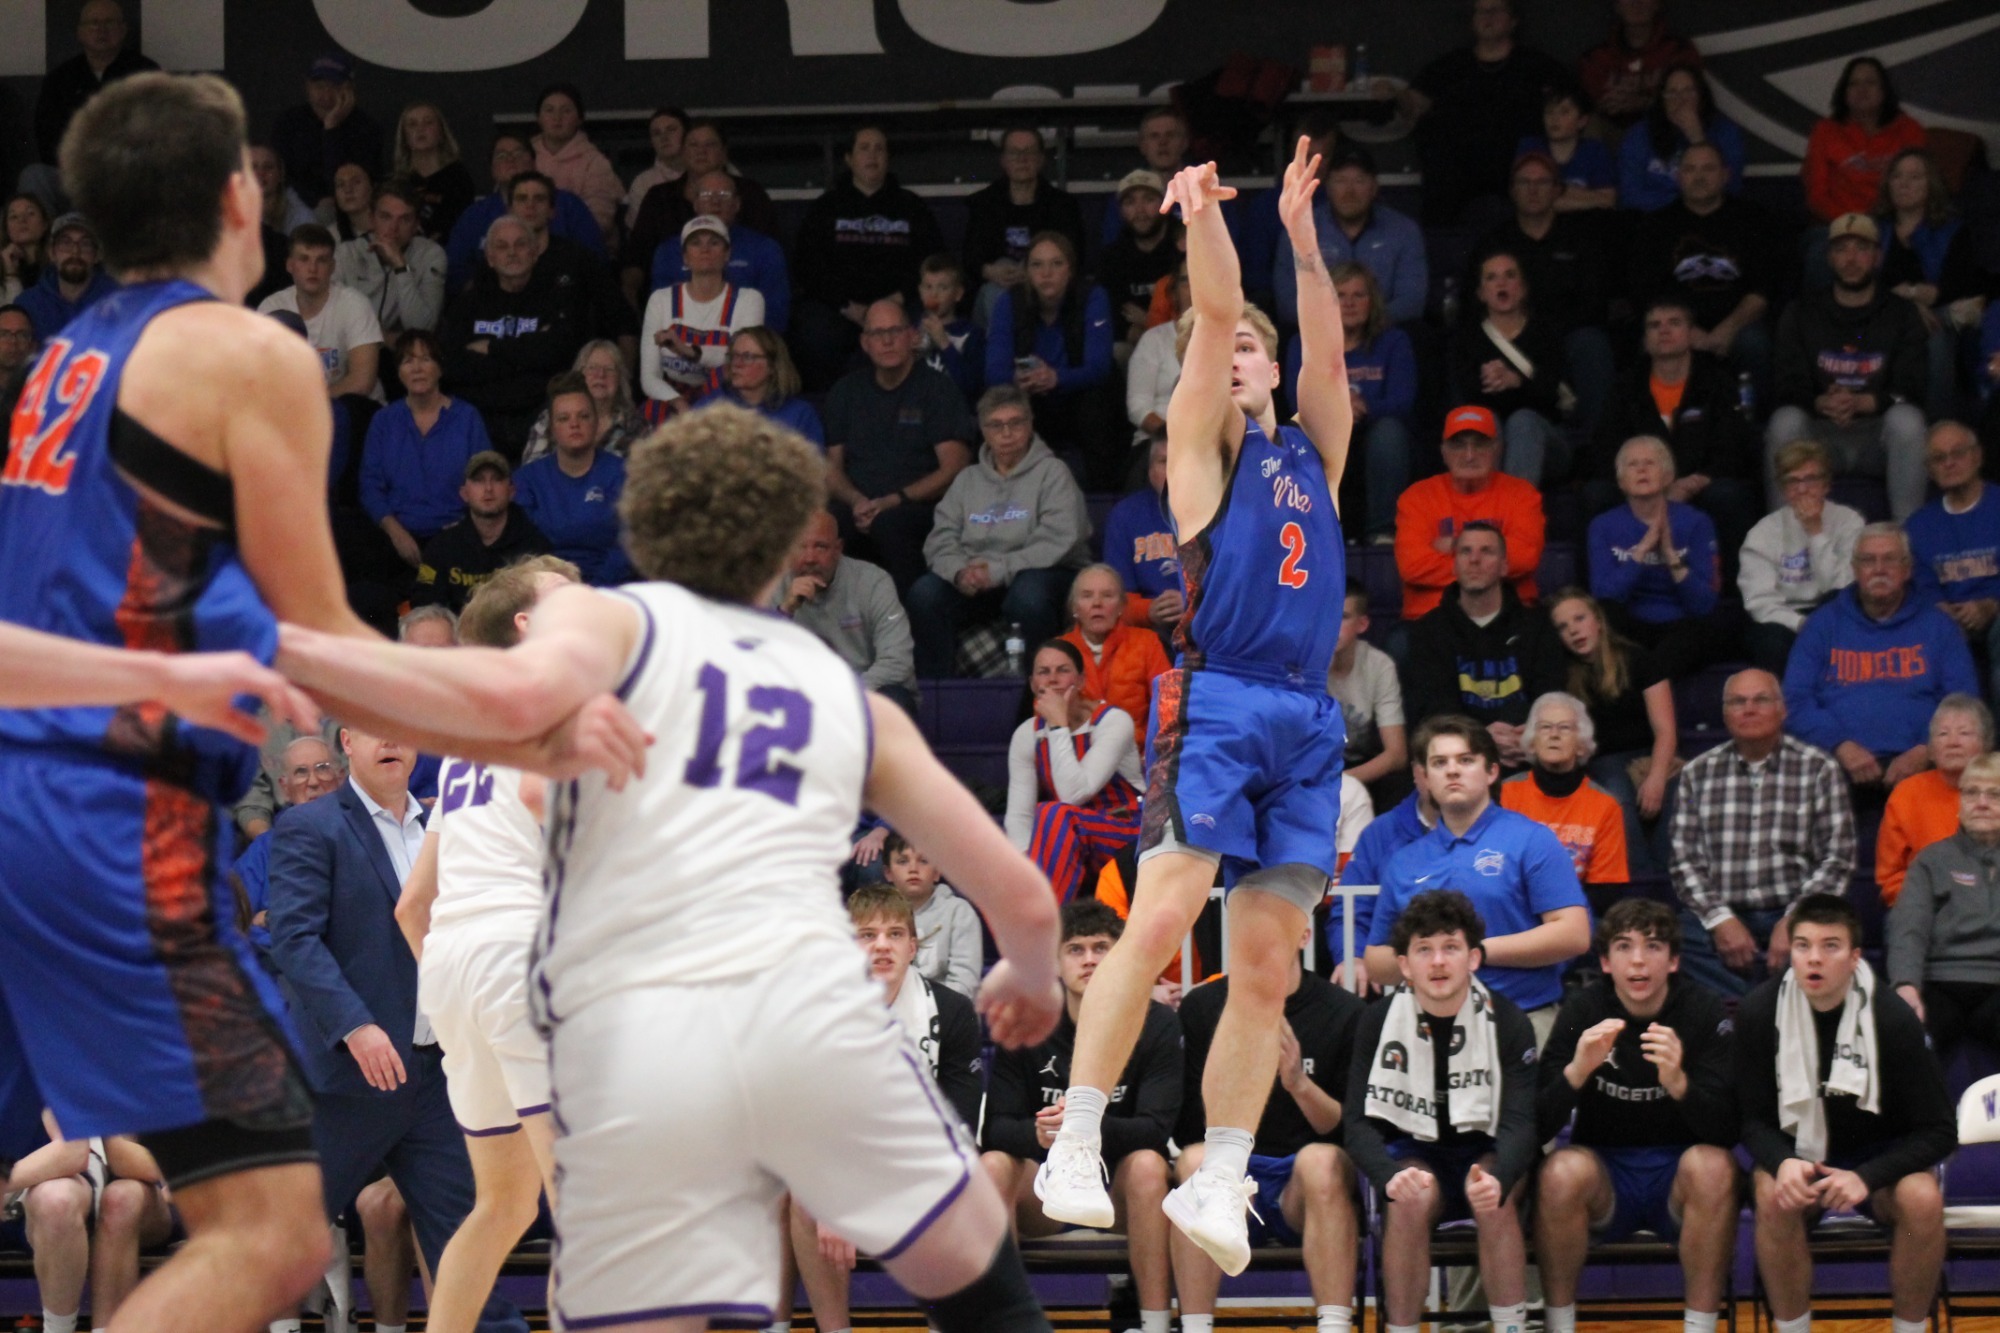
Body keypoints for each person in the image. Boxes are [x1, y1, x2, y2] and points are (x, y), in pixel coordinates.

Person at [275, 403, 1069, 1333]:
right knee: (972, 1257)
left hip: (655, 1029)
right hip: (810, 1014)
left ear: (640, 529)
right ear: (788, 548)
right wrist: (1031, 969)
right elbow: (1018, 891)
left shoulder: (608, 622)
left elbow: (524, 740)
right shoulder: (845, 697)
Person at [0, 68, 458, 1331]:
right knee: (266, 1239)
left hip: (37, 808)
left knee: (258, 1225)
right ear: (237, 195)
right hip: (113, 827)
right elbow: (323, 642)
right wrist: (518, 710)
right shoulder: (242, 350)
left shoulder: (63, 358)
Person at [1033, 143, 1353, 1277]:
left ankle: (1219, 1170)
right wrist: (1205, 219)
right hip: (1214, 700)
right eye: (1223, 354)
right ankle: (1072, 1138)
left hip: (1307, 720)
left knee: (1264, 966)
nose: (1236, 358)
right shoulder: (1198, 458)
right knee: (1162, 919)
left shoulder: (1317, 449)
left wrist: (1304, 237)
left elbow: (1320, 334)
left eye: (1251, 352)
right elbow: (1215, 312)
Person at [265, 724, 530, 1333]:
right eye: (371, 729)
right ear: (347, 746)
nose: (390, 740)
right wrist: (355, 1026)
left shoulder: (449, 823)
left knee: (472, 1240)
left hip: (436, 1074)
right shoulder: (312, 826)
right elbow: (294, 939)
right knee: (276, 1250)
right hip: (345, 1082)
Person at [389, 563, 579, 1333]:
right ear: (528, 626)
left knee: (502, 1203)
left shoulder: (470, 740)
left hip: (454, 966)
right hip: (519, 951)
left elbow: (412, 903)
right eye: (567, 595)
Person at [1738, 894, 1954, 1333]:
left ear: (1855, 957)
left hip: (1879, 1162)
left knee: (1923, 1197)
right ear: (1790, 951)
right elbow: (1748, 1119)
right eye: (1803, 946)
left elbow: (1939, 1130)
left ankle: (1909, 1329)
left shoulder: (1893, 1019)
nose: (1814, 959)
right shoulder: (1759, 1013)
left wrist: (1867, 1176)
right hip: (1799, 1154)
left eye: (1830, 946)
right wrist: (1783, 1163)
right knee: (1771, 1193)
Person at [1533, 898, 1739, 1333]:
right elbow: (1538, 1125)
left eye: (1654, 947)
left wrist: (1679, 1082)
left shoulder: (1702, 1009)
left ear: (1674, 960)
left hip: (1678, 1178)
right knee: (1559, 1171)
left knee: (1715, 1167)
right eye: (1625, 947)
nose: (1639, 961)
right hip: (1607, 1175)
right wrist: (1577, 1071)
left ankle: (1700, 1327)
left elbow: (1728, 1128)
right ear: (1606, 962)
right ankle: (1559, 1325)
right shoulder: (1583, 1011)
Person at [792, 883, 988, 1333]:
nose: (882, 945)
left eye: (895, 934)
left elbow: (957, 1127)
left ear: (913, 946)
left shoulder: (953, 1012)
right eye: (867, 935)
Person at [1346, 890, 1541, 1333]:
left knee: (1494, 1197)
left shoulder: (1508, 1020)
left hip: (1485, 1150)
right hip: (1416, 1154)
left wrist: (1502, 1176)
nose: (1437, 962)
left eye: (1450, 948)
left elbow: (1521, 1123)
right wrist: (1386, 1175)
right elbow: (1356, 1123)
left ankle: (1512, 1327)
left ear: (1472, 959)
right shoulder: (1375, 1022)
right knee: (1408, 1200)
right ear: (1404, 965)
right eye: (1424, 950)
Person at [983, 900, 1179, 1333]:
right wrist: (1040, 1134)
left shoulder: (1157, 1023)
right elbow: (995, 1129)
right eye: (1075, 949)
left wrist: (1082, 1126)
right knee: (992, 1166)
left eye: (1101, 948)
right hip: (1046, 1195)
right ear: (1054, 962)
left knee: (1150, 1167)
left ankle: (1156, 1325)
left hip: (1116, 1193)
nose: (1089, 959)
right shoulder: (1026, 1022)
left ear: (1120, 956)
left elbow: (1156, 1129)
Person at [1173, 924, 1366, 1333]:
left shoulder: (1343, 1011)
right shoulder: (1203, 1008)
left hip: (1302, 1187)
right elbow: (1188, 1125)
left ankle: (1334, 1326)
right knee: (1193, 1162)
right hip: (1232, 1175)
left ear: (1305, 936)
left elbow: (1347, 1129)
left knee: (1322, 1161)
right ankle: (1193, 1327)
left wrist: (1298, 1082)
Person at [1364, 718, 1591, 1026]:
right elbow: (1376, 961)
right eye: (1439, 762)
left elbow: (1574, 935)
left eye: (1466, 760)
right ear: (1426, 778)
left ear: (1492, 772)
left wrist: (1476, 951)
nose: (1453, 770)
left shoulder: (1532, 839)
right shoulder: (1405, 861)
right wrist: (1435, 958)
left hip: (1522, 1017)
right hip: (1428, 1026)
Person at [1670, 669, 1857, 998]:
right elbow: (1685, 860)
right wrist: (1720, 920)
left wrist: (1795, 920)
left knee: (1826, 942)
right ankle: (1767, 1004)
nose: (1749, 709)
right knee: (1667, 943)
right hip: (1722, 911)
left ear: (1782, 710)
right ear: (1725, 713)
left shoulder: (1818, 769)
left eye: (1761, 700)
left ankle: (1744, 1007)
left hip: (1796, 909)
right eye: (1738, 702)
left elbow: (1838, 858)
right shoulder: (1697, 773)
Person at [907, 386, 1091, 678]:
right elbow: (941, 539)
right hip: (977, 579)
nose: (1006, 433)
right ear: (983, 430)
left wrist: (998, 570)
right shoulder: (967, 479)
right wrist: (959, 572)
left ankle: (1037, 691)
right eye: (996, 425)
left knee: (1028, 596)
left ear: (1030, 425)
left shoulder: (1053, 472)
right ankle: (939, 694)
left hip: (1044, 572)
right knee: (924, 595)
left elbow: (1059, 540)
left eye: (1015, 423)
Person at [1783, 523, 1979, 790]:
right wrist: (1840, 744)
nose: (1879, 569)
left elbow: (1964, 701)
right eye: (1868, 560)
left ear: (1908, 569)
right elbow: (1793, 700)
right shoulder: (1822, 625)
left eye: (1889, 560)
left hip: (1926, 771)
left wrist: (1925, 750)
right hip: (1834, 770)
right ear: (1854, 569)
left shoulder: (1939, 626)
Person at [1765, 213, 1931, 520]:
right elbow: (1787, 384)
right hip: (1820, 434)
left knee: (1908, 420)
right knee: (1784, 420)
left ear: (1877, 257)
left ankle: (1910, 541)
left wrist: (1863, 402)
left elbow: (1912, 386)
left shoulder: (1902, 313)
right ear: (1829, 257)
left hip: (1878, 437)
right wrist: (1820, 401)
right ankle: (1784, 542)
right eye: (1841, 250)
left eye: (1861, 249)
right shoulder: (1801, 311)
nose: (1851, 259)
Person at [1589, 294, 1760, 564]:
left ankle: (1733, 595)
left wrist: (1693, 483)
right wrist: (1647, 487)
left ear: (1691, 333)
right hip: (1639, 490)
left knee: (1728, 495)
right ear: (1645, 338)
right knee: (1595, 495)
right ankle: (1594, 598)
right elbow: (1607, 449)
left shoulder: (1717, 381)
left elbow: (1735, 449)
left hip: (1699, 488)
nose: (1664, 330)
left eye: (1674, 323)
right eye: (1655, 325)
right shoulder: (1626, 386)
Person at [823, 298, 978, 595]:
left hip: (921, 508)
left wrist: (895, 499)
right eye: (878, 334)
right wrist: (857, 502)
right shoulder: (844, 392)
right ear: (865, 343)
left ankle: (906, 630)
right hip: (860, 505)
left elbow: (954, 467)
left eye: (895, 330)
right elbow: (831, 468)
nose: (888, 340)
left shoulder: (937, 389)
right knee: (826, 526)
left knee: (890, 525)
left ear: (911, 336)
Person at [1389, 0, 1572, 225]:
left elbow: (1575, 112)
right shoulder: (1450, 66)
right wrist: (1396, 95)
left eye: (1496, 10)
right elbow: (1415, 104)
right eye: (1481, 11)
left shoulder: (1539, 67)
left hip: (1518, 186)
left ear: (1513, 21)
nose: (1488, 16)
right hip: (1456, 190)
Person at [792, 126, 945, 390]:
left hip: (900, 302)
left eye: (879, 149)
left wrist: (895, 301)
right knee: (812, 330)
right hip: (841, 307)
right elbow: (808, 267)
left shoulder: (912, 207)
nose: (872, 156)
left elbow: (931, 262)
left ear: (888, 158)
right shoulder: (825, 208)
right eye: (864, 148)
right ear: (849, 159)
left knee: (928, 323)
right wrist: (847, 306)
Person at [1405, 524, 1569, 768]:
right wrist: (1481, 739)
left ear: (1504, 566)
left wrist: (1530, 735)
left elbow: (1551, 693)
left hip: (1529, 752)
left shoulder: (1538, 625)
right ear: (1454, 565)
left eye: (1487, 551)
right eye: (1465, 551)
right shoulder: (1428, 631)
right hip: (1460, 757)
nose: (1474, 560)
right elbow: (1435, 708)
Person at [1627, 144, 1778, 399]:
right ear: (1678, 177)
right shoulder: (1654, 227)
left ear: (1725, 175)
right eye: (1690, 169)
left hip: (1738, 325)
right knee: (1650, 342)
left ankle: (1756, 426)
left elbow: (1765, 288)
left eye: (1708, 168)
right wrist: (1686, 330)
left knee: (1754, 343)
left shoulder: (1754, 220)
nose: (1699, 177)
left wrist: (1728, 329)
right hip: (1677, 324)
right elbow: (1646, 292)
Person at [1477, 151, 1614, 430]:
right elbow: (1477, 301)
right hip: (1512, 337)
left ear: (1557, 190)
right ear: (1512, 190)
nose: (1533, 190)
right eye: (1524, 182)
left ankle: (1592, 442)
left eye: (1542, 182)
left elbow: (1595, 300)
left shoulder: (1581, 238)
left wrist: (1547, 334)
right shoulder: (1495, 241)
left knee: (1592, 342)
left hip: (1567, 335)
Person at [1548, 589, 1678, 873]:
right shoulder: (1562, 674)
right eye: (1563, 627)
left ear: (1598, 620)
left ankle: (1671, 886)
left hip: (1649, 752)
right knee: (1616, 798)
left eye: (1579, 619)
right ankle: (1641, 885)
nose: (1573, 631)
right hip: (1602, 761)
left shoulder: (1639, 659)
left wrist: (1656, 777)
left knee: (1674, 794)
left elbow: (1665, 729)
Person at [1007, 640, 1145, 903]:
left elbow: (1074, 793)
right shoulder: (1027, 733)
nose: (1053, 679)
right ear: (1034, 684)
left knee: (1054, 812)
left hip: (1127, 830)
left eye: (1062, 670)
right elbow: (1019, 817)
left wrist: (1058, 725)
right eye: (1044, 672)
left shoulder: (1113, 721)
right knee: (1022, 845)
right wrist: (1027, 867)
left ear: (1081, 681)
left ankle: (1043, 927)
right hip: (1070, 839)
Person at [438, 215, 586, 458]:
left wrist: (492, 348)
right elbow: (453, 366)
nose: (512, 252)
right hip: (479, 417)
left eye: (520, 244)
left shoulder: (557, 298)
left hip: (540, 414)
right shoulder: (467, 304)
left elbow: (558, 354)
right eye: (502, 246)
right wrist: (527, 353)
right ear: (490, 257)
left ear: (535, 252)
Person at [11, 1115, 174, 1333]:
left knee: (120, 1200)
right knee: (59, 1199)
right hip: (47, 1192)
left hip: (145, 1194)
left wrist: (192, 1173)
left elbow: (105, 1155)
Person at [1889, 750, 2000, 1057]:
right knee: (1902, 1041)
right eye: (1972, 793)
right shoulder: (1931, 860)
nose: (1981, 803)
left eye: (1994, 794)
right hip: (1939, 981)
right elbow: (1908, 928)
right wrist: (1906, 984)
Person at [1586, 435, 1724, 679]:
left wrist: (1671, 557)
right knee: (1606, 618)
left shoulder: (1696, 522)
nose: (1641, 469)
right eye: (1632, 464)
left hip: (1681, 626)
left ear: (1668, 476)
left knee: (1706, 628)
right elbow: (1605, 597)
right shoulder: (1603, 526)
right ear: (1620, 480)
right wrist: (1641, 552)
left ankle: (1648, 681)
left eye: (1650, 463)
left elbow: (1704, 603)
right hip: (1630, 625)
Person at [984, 232, 1117, 484]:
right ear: (1026, 272)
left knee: (1099, 400)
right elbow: (993, 372)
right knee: (999, 403)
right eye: (1037, 265)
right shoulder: (1009, 302)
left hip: (1078, 395)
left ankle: (1102, 491)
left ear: (1070, 270)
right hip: (1030, 395)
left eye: (1056, 264)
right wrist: (1018, 379)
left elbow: (1100, 368)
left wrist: (1056, 377)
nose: (1046, 273)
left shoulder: (1092, 296)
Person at [1393, 405, 1547, 622]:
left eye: (1480, 445)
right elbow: (1413, 566)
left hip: (1508, 616)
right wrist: (1492, 557)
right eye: (1458, 445)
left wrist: (1455, 546)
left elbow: (1524, 558)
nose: (1469, 455)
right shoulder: (1417, 497)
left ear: (1496, 450)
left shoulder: (1522, 494)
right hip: (1432, 617)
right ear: (1444, 452)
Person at [361, 329, 496, 568]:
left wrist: (462, 530)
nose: (417, 368)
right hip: (396, 535)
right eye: (407, 361)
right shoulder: (384, 421)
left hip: (456, 534)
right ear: (398, 371)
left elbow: (486, 480)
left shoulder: (467, 418)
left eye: (426, 359)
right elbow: (370, 486)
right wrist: (395, 532)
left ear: (440, 368)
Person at [1308, 262, 1417, 543]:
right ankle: (1322, 532)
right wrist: (1339, 409)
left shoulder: (1394, 341)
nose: (1350, 303)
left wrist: (1359, 408)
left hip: (1374, 431)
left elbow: (1402, 401)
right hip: (1326, 432)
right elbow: (1301, 400)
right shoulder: (1307, 342)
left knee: (1390, 433)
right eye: (1341, 295)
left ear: (1373, 302)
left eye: (1359, 295)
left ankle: (1382, 533)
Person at [621, 119, 780, 308]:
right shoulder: (659, 197)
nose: (701, 151)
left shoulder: (750, 193)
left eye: (710, 144)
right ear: (683, 152)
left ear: (724, 152)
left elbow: (768, 255)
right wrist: (629, 291)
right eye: (693, 144)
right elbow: (638, 255)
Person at [1740, 440, 1865, 673]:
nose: (1802, 489)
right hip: (1785, 618)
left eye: (1811, 479)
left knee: (1844, 613)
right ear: (1783, 488)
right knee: (1769, 640)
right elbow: (1759, 602)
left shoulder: (1849, 522)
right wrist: (1800, 624)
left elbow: (1844, 587)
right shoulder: (1763, 532)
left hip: (1834, 608)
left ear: (1826, 484)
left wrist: (1816, 532)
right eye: (1793, 481)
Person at [1878, 149, 1985, 420]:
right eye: (1897, 176)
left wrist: (1913, 294)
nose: (1903, 183)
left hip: (1938, 316)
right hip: (1881, 314)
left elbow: (1958, 285)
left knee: (1934, 335)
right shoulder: (1874, 229)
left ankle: (1939, 429)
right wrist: (1910, 302)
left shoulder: (1952, 230)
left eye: (1915, 177)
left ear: (1931, 184)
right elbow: (1863, 282)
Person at [1273, 143, 1427, 329]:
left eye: (1359, 181)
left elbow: (1412, 301)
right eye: (1340, 181)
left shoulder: (1404, 230)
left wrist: (1362, 326)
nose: (1349, 192)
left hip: (1382, 335)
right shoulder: (1300, 228)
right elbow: (1287, 303)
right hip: (1318, 336)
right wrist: (1332, 330)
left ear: (1374, 187)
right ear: (1327, 186)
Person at [777, 508, 917, 713]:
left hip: (864, 693)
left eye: (820, 547)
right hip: (801, 697)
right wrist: (785, 612)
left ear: (838, 548)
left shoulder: (873, 582)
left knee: (895, 700)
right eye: (801, 547)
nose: (809, 558)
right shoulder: (774, 585)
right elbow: (754, 662)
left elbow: (897, 661)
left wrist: (844, 695)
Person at [1451, 249, 1569, 488]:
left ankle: (1514, 517)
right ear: (1481, 293)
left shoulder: (1546, 333)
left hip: (1548, 442)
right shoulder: (1466, 339)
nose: (1501, 283)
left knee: (1522, 421)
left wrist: (1517, 382)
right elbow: (1461, 400)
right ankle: (1487, 518)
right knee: (1486, 422)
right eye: (1492, 278)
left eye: (1509, 275)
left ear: (1523, 288)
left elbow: (1556, 397)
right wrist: (1488, 383)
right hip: (1490, 442)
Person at [24, 0, 156, 205]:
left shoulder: (146, 73)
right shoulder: (60, 79)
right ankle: (59, 236)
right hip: (74, 175)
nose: (101, 29)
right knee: (34, 175)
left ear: (123, 30)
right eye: (93, 23)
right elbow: (48, 136)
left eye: (109, 22)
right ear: (80, 32)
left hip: (128, 175)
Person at [444, 132, 603, 296]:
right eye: (501, 155)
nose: (510, 159)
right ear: (492, 169)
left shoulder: (568, 205)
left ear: (534, 162)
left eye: (519, 153)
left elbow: (595, 261)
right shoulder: (475, 215)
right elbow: (455, 268)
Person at [1500, 692, 1630, 887]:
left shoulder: (1606, 805)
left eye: (1565, 728)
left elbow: (1606, 890)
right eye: (1545, 727)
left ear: (1581, 745)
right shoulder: (1504, 794)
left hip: (1580, 913)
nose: (1554, 735)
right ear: (1532, 743)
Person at [511, 371, 629, 585]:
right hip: (545, 589)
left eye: (583, 416)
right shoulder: (527, 480)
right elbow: (523, 548)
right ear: (552, 428)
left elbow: (629, 544)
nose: (574, 424)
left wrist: (594, 589)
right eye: (564, 418)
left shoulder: (622, 473)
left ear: (596, 423)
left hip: (611, 590)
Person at [1907, 422, 2000, 693]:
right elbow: (1921, 586)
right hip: (1950, 622)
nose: (1949, 463)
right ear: (1929, 470)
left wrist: (1991, 605)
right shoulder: (1918, 526)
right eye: (1938, 458)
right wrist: (1939, 608)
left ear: (1978, 456)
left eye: (1957, 453)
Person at [639, 215, 764, 411]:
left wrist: (687, 351)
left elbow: (740, 362)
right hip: (674, 399)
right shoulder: (661, 300)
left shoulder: (749, 300)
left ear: (727, 254)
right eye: (696, 243)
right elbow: (649, 377)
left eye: (714, 243)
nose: (705, 249)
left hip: (728, 397)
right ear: (685, 257)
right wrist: (680, 404)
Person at [962, 127, 1087, 323]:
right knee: (996, 293)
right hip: (995, 289)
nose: (1022, 159)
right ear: (1003, 160)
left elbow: (1074, 257)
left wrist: (1032, 272)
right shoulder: (983, 204)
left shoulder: (1063, 206)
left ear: (1041, 159)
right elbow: (970, 259)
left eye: (1029, 152)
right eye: (1014, 152)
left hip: (1047, 287)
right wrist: (990, 271)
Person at [1878, 694, 1992, 910]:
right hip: (1927, 912)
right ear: (1930, 750)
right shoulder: (1907, 794)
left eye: (1965, 733)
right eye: (1943, 734)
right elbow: (1890, 877)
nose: (1953, 742)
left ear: (1986, 744)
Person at [649, 171, 793, 335]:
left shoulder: (765, 249)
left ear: (737, 204)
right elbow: (659, 311)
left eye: (724, 195)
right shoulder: (669, 250)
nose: (715, 201)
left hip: (746, 348)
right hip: (681, 345)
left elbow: (775, 313)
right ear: (695, 204)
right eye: (706, 194)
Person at [409, 453, 552, 614]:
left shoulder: (535, 546)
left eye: (497, 479)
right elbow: (423, 602)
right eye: (478, 480)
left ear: (512, 491)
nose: (488, 488)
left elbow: (548, 604)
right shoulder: (441, 547)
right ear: (464, 493)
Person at [258, 223, 383, 401]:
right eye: (304, 259)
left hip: (351, 408)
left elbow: (363, 382)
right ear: (290, 265)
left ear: (332, 266)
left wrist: (311, 403)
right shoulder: (272, 307)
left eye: (321, 260)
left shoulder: (354, 304)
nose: (312, 269)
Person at [1802, 56, 1929, 224]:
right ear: (1844, 93)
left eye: (1870, 82)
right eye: (1853, 84)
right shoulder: (1825, 131)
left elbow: (1918, 190)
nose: (1861, 89)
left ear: (1884, 91)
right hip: (1837, 225)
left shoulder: (1909, 130)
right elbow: (1817, 196)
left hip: (1895, 225)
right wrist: (1855, 224)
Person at [1617, 65, 1747, 213]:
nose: (1680, 100)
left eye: (1688, 91)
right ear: (1662, 99)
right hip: (1652, 218)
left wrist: (1697, 138)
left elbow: (1730, 189)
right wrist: (1682, 205)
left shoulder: (1725, 132)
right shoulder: (1640, 134)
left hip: (1709, 217)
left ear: (1701, 96)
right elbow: (1629, 195)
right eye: (1672, 93)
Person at [1061, 564, 1171, 734]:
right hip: (1075, 753)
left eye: (1107, 595)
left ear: (1121, 606)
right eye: (1087, 595)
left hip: (1135, 754)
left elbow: (1168, 706)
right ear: (1074, 608)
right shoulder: (1058, 651)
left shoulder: (1147, 643)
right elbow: (1045, 710)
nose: (1097, 603)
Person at [270, 53, 384, 215]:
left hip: (349, 207)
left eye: (334, 87)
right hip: (296, 204)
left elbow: (352, 178)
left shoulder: (365, 127)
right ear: (308, 86)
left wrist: (332, 128)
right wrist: (314, 199)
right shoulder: (289, 122)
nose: (326, 95)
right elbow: (282, 173)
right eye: (319, 87)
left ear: (348, 89)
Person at [332, 182, 446, 339]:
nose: (393, 228)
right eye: (386, 217)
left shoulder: (431, 255)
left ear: (416, 225)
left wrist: (400, 267)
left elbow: (422, 330)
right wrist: (386, 339)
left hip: (404, 359)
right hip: (354, 352)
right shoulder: (346, 254)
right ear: (372, 219)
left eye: (404, 219)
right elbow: (330, 323)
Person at [1327, 581, 1408, 801]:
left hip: (1359, 768)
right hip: (1315, 768)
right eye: (1326, 613)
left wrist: (1343, 782)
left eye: (1343, 617)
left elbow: (1397, 754)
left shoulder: (1379, 665)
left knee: (1398, 784)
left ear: (1362, 624)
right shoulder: (1305, 663)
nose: (1331, 624)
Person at [882, 833, 984, 998]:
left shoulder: (958, 912)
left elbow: (965, 984)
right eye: (903, 861)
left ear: (937, 872)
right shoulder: (875, 915)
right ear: (888, 872)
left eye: (924, 861)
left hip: (946, 1015)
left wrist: (926, 1012)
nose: (913, 868)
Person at [1101, 436, 1184, 633]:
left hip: (1208, 626)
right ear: (1149, 471)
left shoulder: (1222, 513)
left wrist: (1194, 604)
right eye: (1163, 461)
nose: (1172, 469)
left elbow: (1237, 592)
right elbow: (1115, 597)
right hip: (1146, 630)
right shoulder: (1125, 515)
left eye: (1180, 459)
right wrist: (1148, 611)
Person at [1576, 0, 1702, 129]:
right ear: (1617, 5)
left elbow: (1694, 100)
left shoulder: (1679, 51)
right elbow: (1583, 107)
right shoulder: (1595, 59)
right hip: (1613, 137)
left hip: (1667, 131)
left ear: (1658, 4)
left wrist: (1644, 102)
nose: (1636, 3)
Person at [521, 340, 646, 465]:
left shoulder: (636, 426)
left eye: (609, 369)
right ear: (578, 375)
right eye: (592, 368)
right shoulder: (551, 418)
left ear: (620, 379)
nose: (600, 374)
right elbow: (531, 471)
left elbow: (649, 477)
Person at [1099, 170, 1183, 353]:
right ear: (1121, 211)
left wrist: (1148, 321)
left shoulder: (1185, 249)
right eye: (1130, 202)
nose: (1140, 210)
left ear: (1165, 204)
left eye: (1148, 199)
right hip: (1134, 346)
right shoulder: (1112, 257)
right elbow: (1113, 320)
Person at [703, 325, 824, 446]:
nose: (736, 363)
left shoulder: (800, 415)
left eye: (748, 357)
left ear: (772, 366)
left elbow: (812, 463)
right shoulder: (712, 406)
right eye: (733, 356)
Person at [529, 84, 620, 242]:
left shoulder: (595, 162)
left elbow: (599, 221)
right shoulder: (524, 156)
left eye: (566, 111)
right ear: (539, 118)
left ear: (579, 119)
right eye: (549, 110)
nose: (557, 118)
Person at [14, 212, 117, 339]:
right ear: (52, 253)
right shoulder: (29, 304)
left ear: (97, 255)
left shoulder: (119, 299)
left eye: (85, 244)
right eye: (65, 243)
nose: (75, 251)